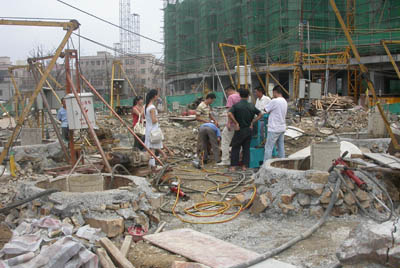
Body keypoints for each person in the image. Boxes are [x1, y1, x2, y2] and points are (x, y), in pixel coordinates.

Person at [228, 88, 262, 171]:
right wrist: (253, 121)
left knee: (235, 148)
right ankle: (244, 166)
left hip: (239, 130)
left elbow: (229, 113)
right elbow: (260, 114)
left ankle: (233, 166)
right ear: (248, 96)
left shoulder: (236, 105)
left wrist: (236, 123)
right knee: (246, 148)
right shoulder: (251, 105)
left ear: (240, 95)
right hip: (248, 130)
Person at [217, 85, 241, 166]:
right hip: (242, 123)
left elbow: (229, 111)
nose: (227, 95)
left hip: (233, 123)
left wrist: (229, 123)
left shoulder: (231, 97)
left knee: (225, 140)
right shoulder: (241, 95)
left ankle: (225, 160)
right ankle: (239, 159)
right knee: (239, 142)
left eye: (227, 92)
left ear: (229, 90)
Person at [263, 86, 288, 163]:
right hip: (282, 127)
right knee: (281, 146)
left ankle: (266, 165)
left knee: (268, 147)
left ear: (275, 92)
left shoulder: (275, 101)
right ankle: (283, 162)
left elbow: (265, 109)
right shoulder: (284, 101)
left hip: (274, 128)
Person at [144, 89, 167, 169]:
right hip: (153, 130)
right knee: (152, 149)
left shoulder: (146, 106)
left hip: (148, 129)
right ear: (154, 96)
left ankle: (150, 165)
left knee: (150, 148)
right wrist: (158, 118)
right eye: (157, 95)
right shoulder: (152, 107)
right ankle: (153, 166)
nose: (158, 96)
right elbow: (154, 120)